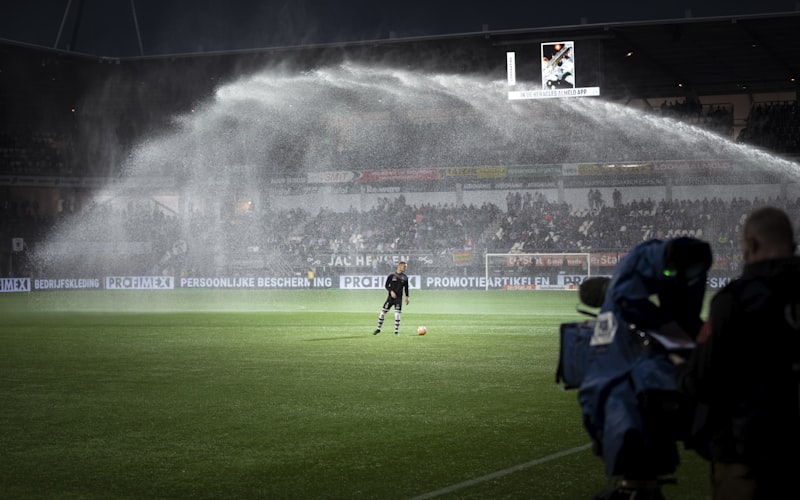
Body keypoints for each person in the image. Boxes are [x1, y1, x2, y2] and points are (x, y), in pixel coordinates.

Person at [672, 206, 800, 499]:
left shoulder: (735, 300)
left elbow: (702, 382)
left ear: (750, 246)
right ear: (793, 247)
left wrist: (678, 365)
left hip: (749, 454)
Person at [373, 261, 410, 336]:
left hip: (398, 298)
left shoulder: (405, 277)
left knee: (397, 314)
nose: (406, 268)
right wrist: (391, 292)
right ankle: (378, 328)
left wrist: (407, 297)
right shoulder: (391, 275)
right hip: (390, 298)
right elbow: (386, 285)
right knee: (383, 312)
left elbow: (406, 288)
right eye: (404, 267)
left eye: (406, 267)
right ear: (399, 266)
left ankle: (396, 331)